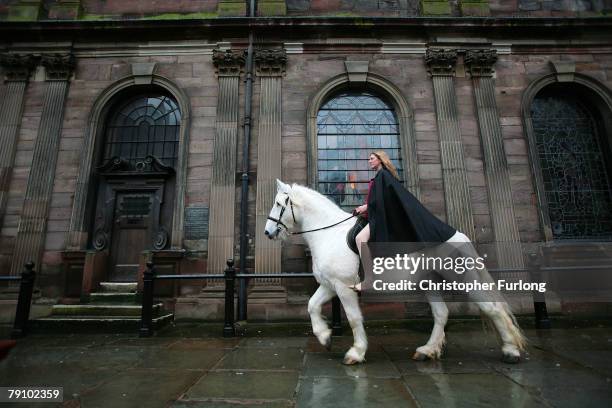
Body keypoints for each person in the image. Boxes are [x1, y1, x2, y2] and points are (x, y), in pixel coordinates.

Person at [350, 150, 469, 291]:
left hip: (380, 217)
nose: (369, 161)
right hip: (377, 215)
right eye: (369, 159)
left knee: (359, 238)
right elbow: (380, 201)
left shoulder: (383, 176)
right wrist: (366, 207)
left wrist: (365, 208)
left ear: (380, 160)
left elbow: (382, 201)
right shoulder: (382, 176)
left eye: (371, 158)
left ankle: (368, 280)